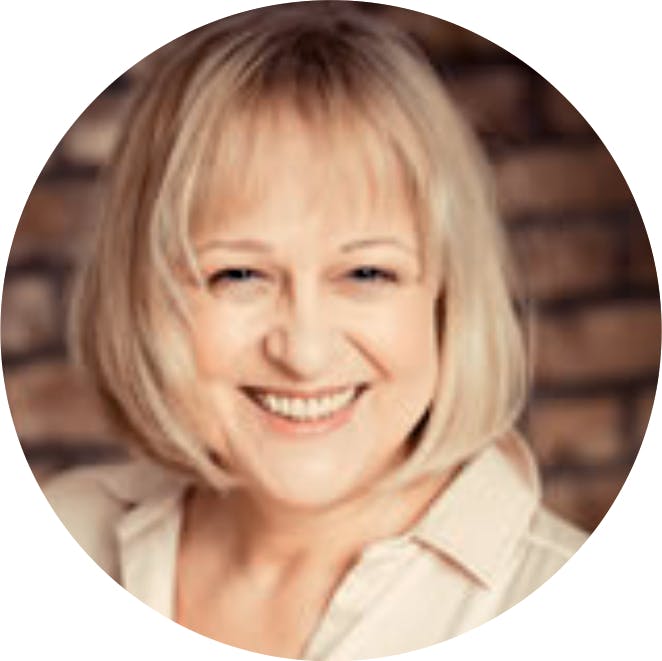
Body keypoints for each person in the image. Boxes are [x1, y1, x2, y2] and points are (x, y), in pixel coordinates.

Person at [44, 3, 587, 658]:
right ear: (145, 296)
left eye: (366, 273)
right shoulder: (56, 537)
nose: (304, 352)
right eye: (239, 274)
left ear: (446, 296)